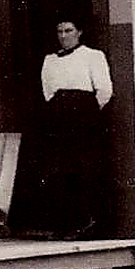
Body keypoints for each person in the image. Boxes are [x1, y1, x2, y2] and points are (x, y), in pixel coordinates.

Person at [36, 16, 113, 239]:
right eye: (59, 31)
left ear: (79, 32)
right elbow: (48, 90)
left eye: (68, 31)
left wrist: (85, 113)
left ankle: (88, 223)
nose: (63, 36)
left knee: (85, 170)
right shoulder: (50, 60)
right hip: (59, 117)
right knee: (60, 171)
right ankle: (65, 223)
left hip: (84, 119)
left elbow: (104, 90)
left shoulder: (92, 56)